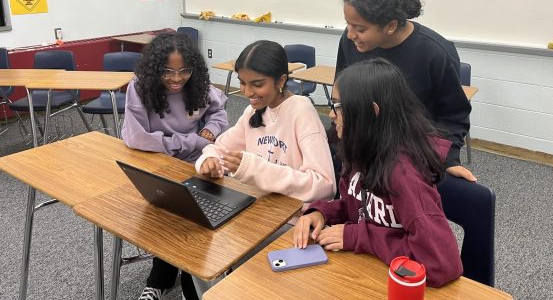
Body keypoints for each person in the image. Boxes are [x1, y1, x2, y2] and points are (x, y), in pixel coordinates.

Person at [294, 59, 463, 288]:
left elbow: (440, 265)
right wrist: (323, 212)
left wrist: (357, 237)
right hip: (367, 271)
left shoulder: (403, 174)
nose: (332, 115)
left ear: (372, 112)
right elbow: (358, 208)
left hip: (402, 285)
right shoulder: (361, 150)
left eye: (339, 106)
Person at [336, 0, 475, 182]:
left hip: (410, 155)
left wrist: (448, 159)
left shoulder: (435, 53)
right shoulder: (350, 43)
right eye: (348, 24)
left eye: (360, 28)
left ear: (390, 26)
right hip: (362, 146)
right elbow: (343, 91)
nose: (350, 34)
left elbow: (454, 116)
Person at [121, 32, 228, 300]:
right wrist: (189, 141)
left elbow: (220, 112)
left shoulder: (199, 85)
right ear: (155, 68)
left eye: (184, 71)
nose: (177, 78)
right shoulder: (140, 87)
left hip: (195, 164)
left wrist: (211, 131)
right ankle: (160, 281)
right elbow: (136, 137)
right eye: (168, 71)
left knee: (196, 222)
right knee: (166, 220)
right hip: (157, 162)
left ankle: (190, 284)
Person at [196, 39, 336, 208]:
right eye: (242, 82)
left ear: (281, 81)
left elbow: (325, 186)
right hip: (257, 208)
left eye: (257, 84)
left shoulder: (301, 111)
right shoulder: (253, 112)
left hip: (290, 218)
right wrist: (209, 159)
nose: (247, 92)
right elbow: (218, 148)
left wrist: (257, 170)